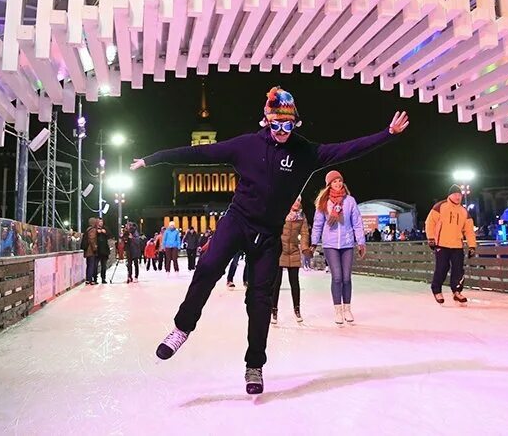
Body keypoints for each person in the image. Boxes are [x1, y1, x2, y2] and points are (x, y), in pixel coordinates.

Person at [131, 86, 408, 394]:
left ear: (295, 123)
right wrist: (152, 159)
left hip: (269, 234)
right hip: (237, 222)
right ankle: (182, 329)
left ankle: (254, 365)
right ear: (266, 120)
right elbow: (197, 153)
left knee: (260, 299)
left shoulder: (306, 152)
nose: (281, 131)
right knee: (208, 267)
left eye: (287, 125)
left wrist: (388, 133)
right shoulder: (246, 146)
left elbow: (348, 149)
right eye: (275, 124)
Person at [310, 170, 366, 324]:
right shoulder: (324, 202)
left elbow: (357, 223)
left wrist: (361, 242)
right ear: (329, 185)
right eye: (334, 182)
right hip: (330, 244)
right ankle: (338, 311)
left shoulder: (350, 201)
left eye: (340, 181)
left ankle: (347, 308)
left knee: (347, 278)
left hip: (347, 244)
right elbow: (317, 224)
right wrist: (314, 242)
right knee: (337, 277)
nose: (338, 184)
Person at [425, 186, 478, 304]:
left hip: (457, 245)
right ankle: (437, 290)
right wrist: (431, 238)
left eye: (459, 195)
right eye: (455, 194)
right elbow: (430, 223)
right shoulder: (440, 207)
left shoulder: (464, 212)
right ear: (449, 195)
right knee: (442, 268)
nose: (458, 197)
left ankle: (457, 291)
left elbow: (469, 230)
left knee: (458, 270)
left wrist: (472, 246)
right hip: (441, 244)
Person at [272, 196, 311, 324]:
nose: (296, 203)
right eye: (294, 200)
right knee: (276, 282)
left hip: (293, 251)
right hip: (279, 251)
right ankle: (274, 309)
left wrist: (305, 247)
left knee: (294, 282)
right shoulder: (281, 213)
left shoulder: (301, 217)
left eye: (299, 200)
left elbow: (305, 233)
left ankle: (297, 309)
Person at [82, 217, 100, 285]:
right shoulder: (93, 230)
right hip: (91, 250)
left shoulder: (88, 229)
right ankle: (90, 279)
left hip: (87, 250)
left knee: (88, 265)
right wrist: (95, 248)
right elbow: (92, 239)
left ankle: (87, 279)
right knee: (91, 265)